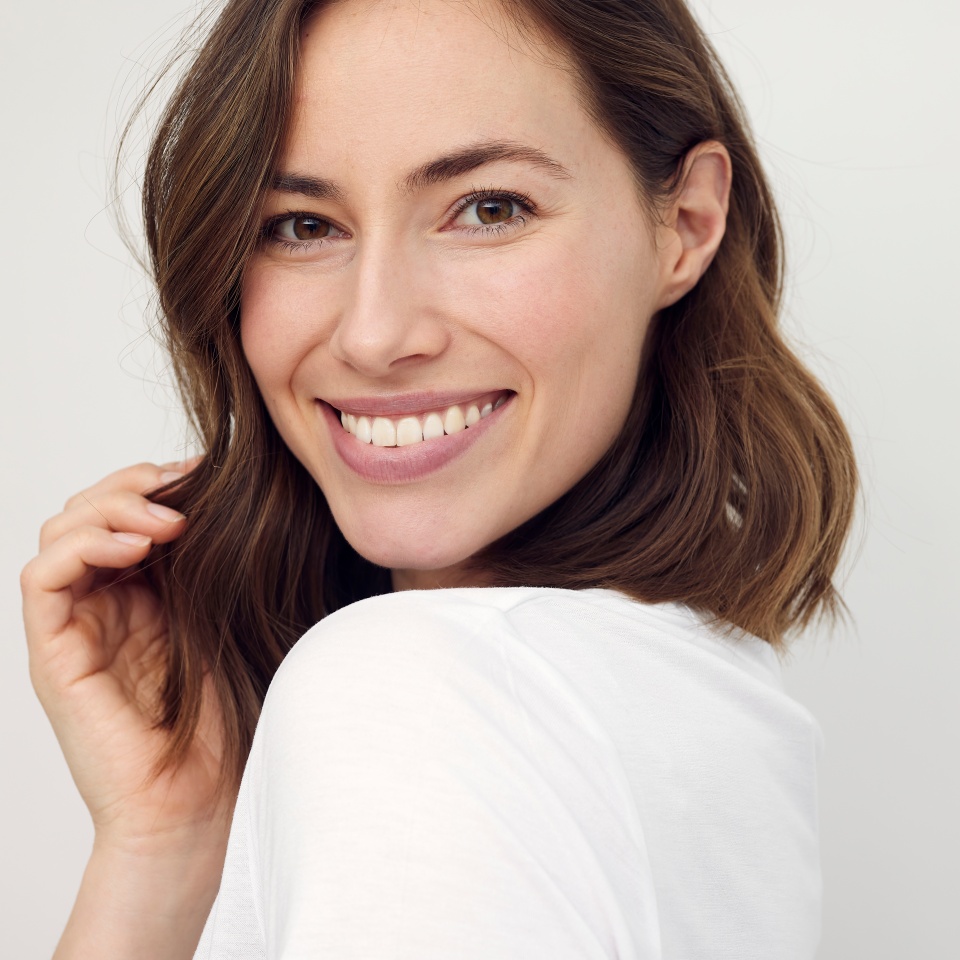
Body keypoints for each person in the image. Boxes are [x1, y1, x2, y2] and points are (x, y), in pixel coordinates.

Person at [20, 0, 857, 956]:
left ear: (688, 223)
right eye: (302, 225)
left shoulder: (414, 690)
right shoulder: (701, 697)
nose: (374, 334)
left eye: (490, 209)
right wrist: (167, 846)